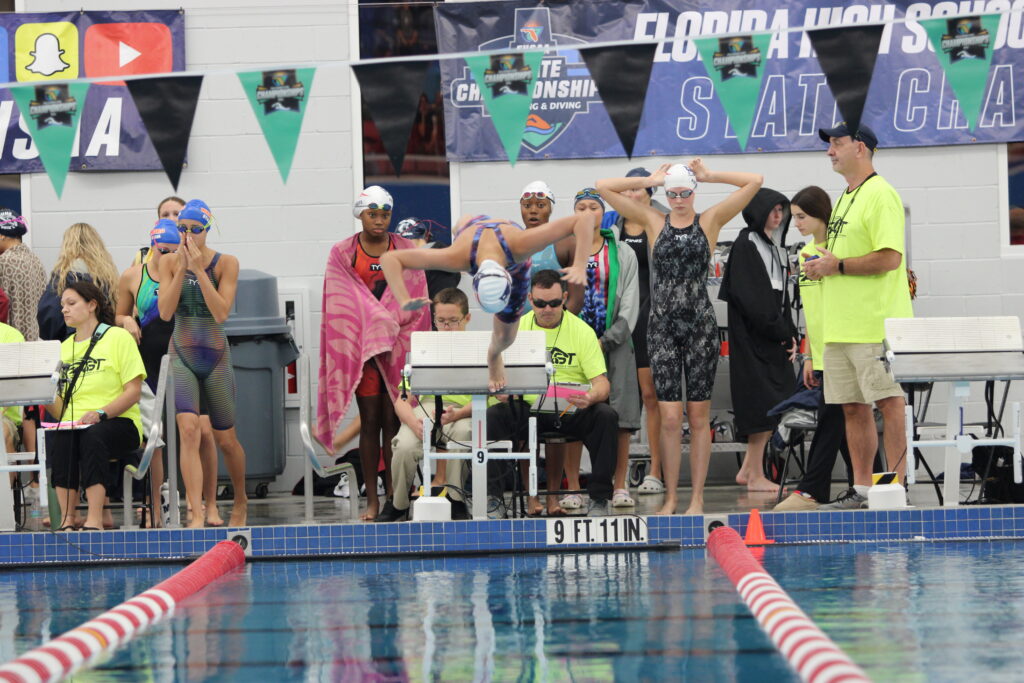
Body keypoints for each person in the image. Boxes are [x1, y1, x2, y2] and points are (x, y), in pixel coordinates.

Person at [597, 160, 763, 515]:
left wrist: (710, 175)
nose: (678, 199)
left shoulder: (710, 220)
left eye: (685, 192)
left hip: (701, 326)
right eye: (672, 194)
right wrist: (650, 180)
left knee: (698, 416)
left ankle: (698, 499)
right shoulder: (654, 220)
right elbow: (602, 188)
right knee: (670, 418)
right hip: (662, 328)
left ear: (694, 191)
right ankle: (672, 497)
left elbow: (754, 180)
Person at [804, 122, 913, 509]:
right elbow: (840, 260)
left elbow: (889, 257)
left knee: (888, 403)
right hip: (841, 327)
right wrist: (821, 266)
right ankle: (864, 489)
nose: (830, 151)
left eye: (837, 143)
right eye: (829, 144)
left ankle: (896, 489)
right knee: (852, 407)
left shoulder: (881, 195)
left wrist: (838, 267)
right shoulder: (846, 197)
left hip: (874, 325)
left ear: (861, 148)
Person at [380, 209, 592, 392]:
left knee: (506, 337)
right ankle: (466, 224)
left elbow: (584, 219)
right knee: (464, 223)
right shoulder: (457, 257)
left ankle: (494, 354)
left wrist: (581, 265)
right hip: (475, 235)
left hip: (511, 255)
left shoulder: (520, 246)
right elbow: (389, 259)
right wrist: (403, 298)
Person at [317, 186, 431, 521]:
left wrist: (391, 324)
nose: (379, 221)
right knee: (370, 422)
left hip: (397, 345)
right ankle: (372, 500)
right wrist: (374, 322)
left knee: (394, 421)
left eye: (385, 214)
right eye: (372, 214)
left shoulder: (405, 248)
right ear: (360, 214)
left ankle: (398, 497)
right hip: (364, 349)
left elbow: (417, 298)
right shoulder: (343, 252)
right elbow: (339, 300)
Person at [484, 269, 619, 518]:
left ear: (565, 298)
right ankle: (494, 499)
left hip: (569, 406)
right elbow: (495, 376)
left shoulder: (582, 331)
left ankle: (599, 498)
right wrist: (501, 391)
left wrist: (590, 397)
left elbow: (602, 384)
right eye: (541, 303)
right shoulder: (514, 329)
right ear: (530, 300)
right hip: (526, 406)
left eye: (555, 303)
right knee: (494, 415)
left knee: (606, 416)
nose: (547, 309)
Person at [158, 199, 249, 527]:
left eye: (196, 229)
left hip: (215, 356)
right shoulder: (168, 263)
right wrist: (181, 268)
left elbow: (221, 312)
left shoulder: (227, 263)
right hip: (181, 352)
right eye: (183, 229)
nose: (188, 235)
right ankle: (194, 511)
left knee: (226, 439)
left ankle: (240, 498)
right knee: (188, 429)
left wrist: (198, 269)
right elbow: (166, 313)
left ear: (207, 230)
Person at [44, 281, 145, 532]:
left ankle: (95, 519)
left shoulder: (117, 337)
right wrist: (42, 395)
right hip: (76, 424)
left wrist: (101, 413)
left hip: (118, 421)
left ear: (91, 305)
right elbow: (61, 408)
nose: (64, 310)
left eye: (71, 303)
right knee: (60, 437)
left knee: (93, 435)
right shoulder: (62, 349)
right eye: (62, 306)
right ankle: (67, 518)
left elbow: (133, 392)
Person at [775, 186, 853, 511]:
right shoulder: (806, 255)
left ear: (822, 214)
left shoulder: (841, 253)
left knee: (834, 417)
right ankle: (878, 480)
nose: (797, 224)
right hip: (821, 352)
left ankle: (812, 490)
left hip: (844, 347)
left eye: (802, 217)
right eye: (794, 218)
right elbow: (811, 310)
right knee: (845, 420)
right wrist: (808, 355)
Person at [718, 187, 798, 493]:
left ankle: (751, 470)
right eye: (773, 210)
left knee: (775, 404)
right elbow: (754, 302)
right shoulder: (746, 243)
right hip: (754, 340)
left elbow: (783, 297)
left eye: (782, 211)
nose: (778, 217)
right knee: (760, 404)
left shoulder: (775, 246)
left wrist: (790, 333)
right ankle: (752, 473)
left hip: (772, 337)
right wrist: (779, 331)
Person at [376, 287, 474, 522]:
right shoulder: (424, 350)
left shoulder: (480, 349)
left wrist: (459, 413)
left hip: (464, 410)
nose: (447, 328)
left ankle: (455, 498)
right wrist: (412, 421)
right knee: (404, 445)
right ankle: (398, 502)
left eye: (453, 321)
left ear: (467, 318)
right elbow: (401, 400)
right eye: (441, 321)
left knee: (462, 435)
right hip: (428, 408)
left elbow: (489, 400)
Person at [571, 188, 640, 512]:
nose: (587, 212)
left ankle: (620, 485)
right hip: (573, 346)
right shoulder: (566, 249)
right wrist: (577, 343)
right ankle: (573, 486)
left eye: (593, 207)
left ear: (603, 213)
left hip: (614, 344)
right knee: (569, 411)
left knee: (621, 418)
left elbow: (629, 302)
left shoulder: (623, 251)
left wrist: (607, 339)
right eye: (580, 207)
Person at [603, 167, 669, 495]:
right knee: (617, 399)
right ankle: (615, 476)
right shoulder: (610, 228)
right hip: (621, 320)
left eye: (640, 189)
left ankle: (656, 471)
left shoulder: (662, 221)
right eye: (629, 189)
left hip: (653, 317)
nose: (633, 195)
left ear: (650, 192)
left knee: (650, 395)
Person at [38, 223, 120, 342]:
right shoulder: (108, 275)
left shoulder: (64, 275)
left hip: (73, 341)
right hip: (105, 340)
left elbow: (49, 315)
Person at [519, 181, 583, 313]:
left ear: (550, 209)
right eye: (527, 205)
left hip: (557, 325)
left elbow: (576, 299)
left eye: (541, 205)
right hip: (519, 328)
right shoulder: (511, 242)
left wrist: (556, 327)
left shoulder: (567, 243)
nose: (533, 210)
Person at [0, 209, 47, 341]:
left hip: (11, 342)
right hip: (35, 340)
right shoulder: (35, 260)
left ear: (2, 235)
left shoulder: (3, 262)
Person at [394, 217, 460, 299]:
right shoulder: (442, 258)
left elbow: (444, 301)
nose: (401, 247)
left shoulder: (437, 263)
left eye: (404, 241)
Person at [131, 196, 186, 266]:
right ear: (158, 221)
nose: (171, 219)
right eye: (165, 215)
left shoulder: (196, 255)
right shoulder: (143, 255)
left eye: (176, 214)